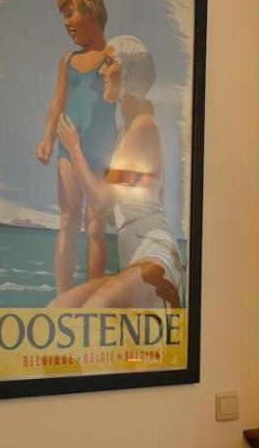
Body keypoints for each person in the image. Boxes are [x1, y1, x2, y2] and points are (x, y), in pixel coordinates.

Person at [48, 36, 184, 310]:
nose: (101, 71)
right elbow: (111, 210)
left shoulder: (143, 126)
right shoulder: (124, 134)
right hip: (133, 262)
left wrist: (74, 148)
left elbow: (101, 203)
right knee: (59, 309)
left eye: (108, 63)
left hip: (155, 257)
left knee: (90, 314)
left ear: (129, 74)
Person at [36, 0, 115, 293]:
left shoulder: (112, 56)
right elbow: (57, 101)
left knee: (96, 223)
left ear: (90, 12)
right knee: (68, 221)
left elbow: (118, 95)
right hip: (68, 146)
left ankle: (93, 296)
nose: (66, 22)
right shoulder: (67, 60)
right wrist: (47, 139)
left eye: (70, 14)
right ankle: (62, 298)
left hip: (102, 149)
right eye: (63, 17)